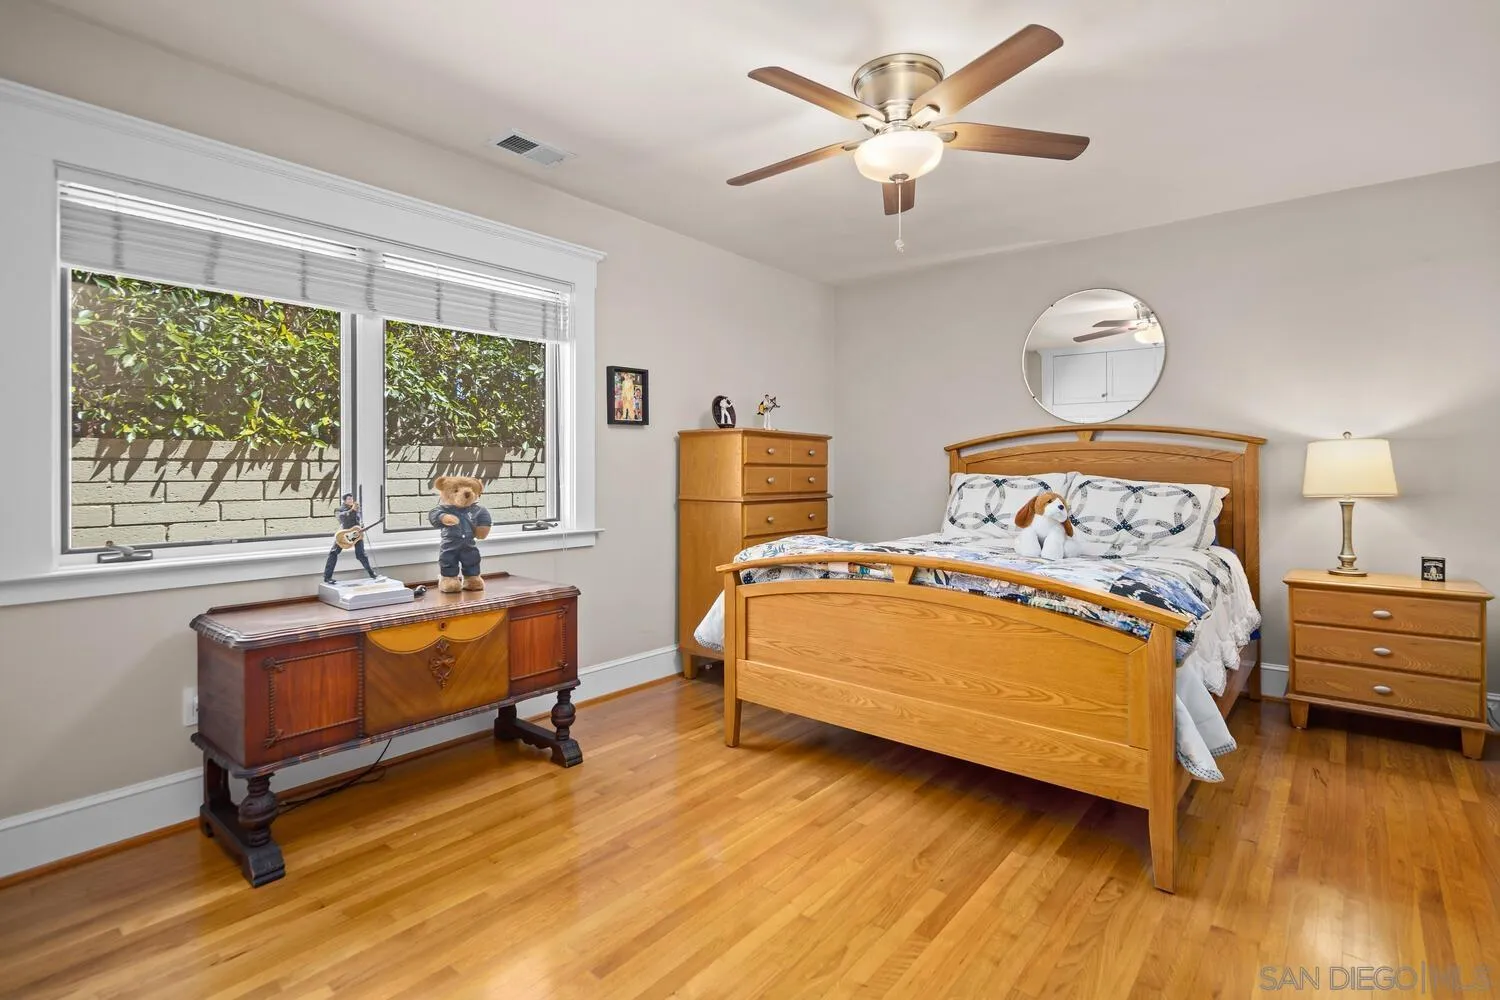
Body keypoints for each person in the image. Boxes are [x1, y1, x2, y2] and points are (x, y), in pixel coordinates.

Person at [324, 493, 377, 583]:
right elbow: (341, 517)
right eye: (349, 499)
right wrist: (352, 510)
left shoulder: (356, 509)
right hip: (344, 534)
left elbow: (358, 520)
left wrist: (361, 524)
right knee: (333, 553)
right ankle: (327, 577)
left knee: (361, 554)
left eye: (352, 499)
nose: (351, 500)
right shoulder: (339, 509)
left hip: (356, 534)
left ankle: (371, 573)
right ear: (344, 500)